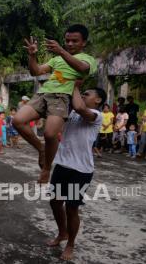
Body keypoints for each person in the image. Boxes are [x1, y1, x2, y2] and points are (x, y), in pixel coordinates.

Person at [14, 24, 98, 183]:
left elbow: (82, 68)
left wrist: (61, 50)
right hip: (43, 92)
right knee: (17, 121)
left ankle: (46, 168)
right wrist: (32, 55)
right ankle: (41, 149)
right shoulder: (56, 59)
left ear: (84, 43)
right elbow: (36, 71)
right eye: (67, 40)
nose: (70, 44)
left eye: (75, 41)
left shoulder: (88, 59)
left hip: (62, 96)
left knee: (50, 134)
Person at [48, 85, 106, 261]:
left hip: (80, 171)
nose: (82, 95)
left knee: (71, 208)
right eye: (81, 93)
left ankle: (70, 244)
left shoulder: (97, 115)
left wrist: (73, 84)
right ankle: (62, 233)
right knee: (55, 203)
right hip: (62, 165)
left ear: (98, 100)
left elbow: (81, 107)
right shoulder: (71, 112)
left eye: (86, 94)